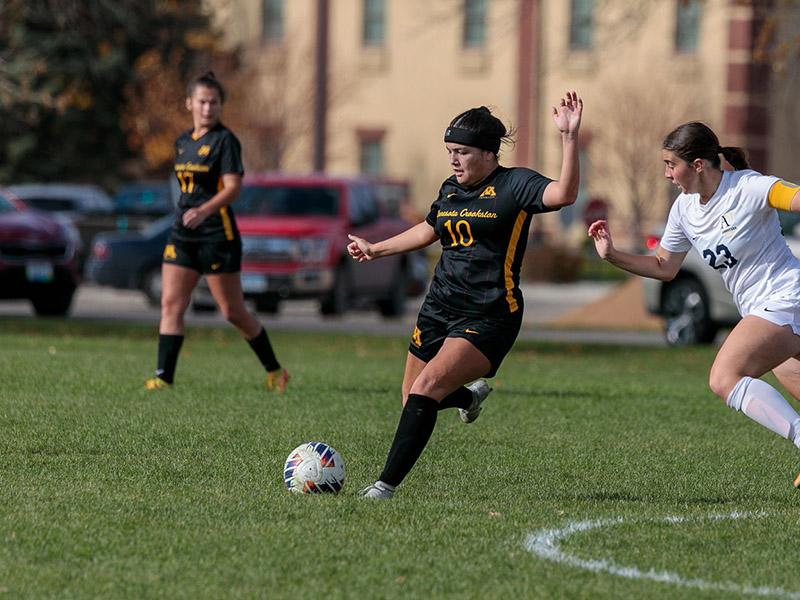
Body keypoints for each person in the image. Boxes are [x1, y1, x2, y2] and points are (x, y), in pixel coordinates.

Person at [347, 92, 584, 498]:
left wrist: (569, 139)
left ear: (490, 153)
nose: (454, 160)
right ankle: (468, 397)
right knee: (412, 398)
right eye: (450, 151)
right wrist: (376, 248)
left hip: (489, 313)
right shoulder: (450, 189)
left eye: (463, 152)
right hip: (439, 307)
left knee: (425, 391)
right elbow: (429, 229)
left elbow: (564, 195)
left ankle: (383, 487)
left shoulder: (515, 184)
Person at [588, 121, 800, 487]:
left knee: (724, 377)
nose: (667, 173)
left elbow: (792, 197)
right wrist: (612, 255)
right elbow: (663, 266)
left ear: (698, 164)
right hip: (766, 309)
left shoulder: (749, 187)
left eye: (672, 164)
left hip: (785, 297)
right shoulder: (685, 210)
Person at [145, 71, 289, 392]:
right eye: (202, 102)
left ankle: (275, 370)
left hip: (216, 235)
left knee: (232, 311)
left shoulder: (225, 141)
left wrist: (204, 210)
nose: (208, 108)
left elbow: (234, 188)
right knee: (171, 304)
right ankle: (163, 378)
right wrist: (188, 212)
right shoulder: (182, 142)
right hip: (182, 234)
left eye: (214, 102)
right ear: (189, 103)